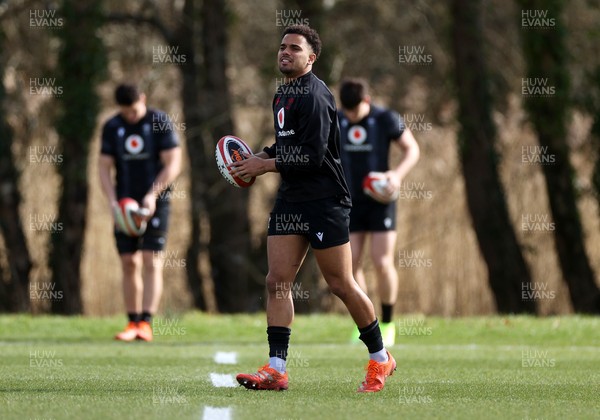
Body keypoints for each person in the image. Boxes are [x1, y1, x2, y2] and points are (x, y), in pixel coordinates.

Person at [229, 25, 396, 393]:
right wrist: (260, 157)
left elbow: (312, 153)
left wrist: (265, 166)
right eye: (282, 47)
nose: (285, 52)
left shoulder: (317, 95)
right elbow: (288, 143)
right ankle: (276, 369)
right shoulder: (283, 94)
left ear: (311, 57)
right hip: (291, 199)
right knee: (276, 281)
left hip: (325, 200)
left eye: (294, 48)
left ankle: (381, 359)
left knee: (340, 284)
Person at [338, 79, 420, 347]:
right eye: (347, 111)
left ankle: (387, 322)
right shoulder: (336, 120)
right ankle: (365, 323)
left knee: (381, 261)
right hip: (349, 201)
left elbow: (412, 149)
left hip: (381, 198)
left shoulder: (386, 118)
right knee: (350, 265)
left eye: (356, 110)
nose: (352, 116)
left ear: (367, 101)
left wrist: (396, 175)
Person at [99, 84, 181, 342]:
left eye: (134, 110)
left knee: (150, 259)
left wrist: (152, 195)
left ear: (143, 100)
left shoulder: (159, 121)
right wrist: (113, 203)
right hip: (124, 204)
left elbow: (173, 163)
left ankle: (146, 323)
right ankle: (131, 322)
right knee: (128, 261)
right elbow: (103, 168)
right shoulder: (112, 127)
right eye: (126, 111)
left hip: (156, 201)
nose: (131, 116)